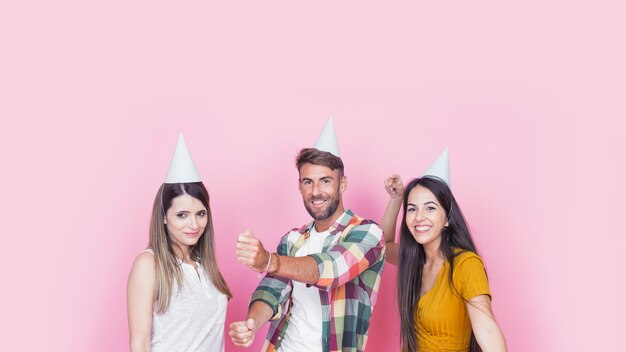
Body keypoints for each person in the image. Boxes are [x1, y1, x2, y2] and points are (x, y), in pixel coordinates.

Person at [229, 119, 386, 352]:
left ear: (342, 184)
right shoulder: (292, 240)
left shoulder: (367, 233)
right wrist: (253, 322)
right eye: (308, 182)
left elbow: (331, 270)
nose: (315, 192)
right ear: (299, 186)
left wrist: (270, 261)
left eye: (325, 181)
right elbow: (271, 290)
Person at [381, 149, 507, 352]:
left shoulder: (466, 264)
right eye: (412, 209)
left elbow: (488, 330)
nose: (419, 217)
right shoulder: (413, 260)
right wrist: (397, 199)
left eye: (430, 208)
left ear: (447, 217)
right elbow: (383, 247)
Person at [127, 134, 232, 352]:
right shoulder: (149, 263)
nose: (194, 224)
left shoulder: (204, 264)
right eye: (182, 215)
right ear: (164, 216)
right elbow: (140, 343)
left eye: (200, 213)